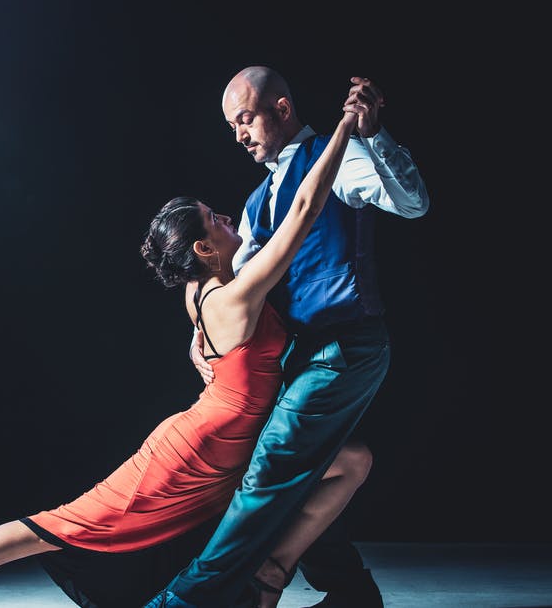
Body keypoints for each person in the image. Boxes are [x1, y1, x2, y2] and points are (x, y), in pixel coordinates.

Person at [0, 101, 367, 608]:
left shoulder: (200, 290)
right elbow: (303, 210)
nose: (230, 219)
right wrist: (342, 129)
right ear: (204, 251)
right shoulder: (235, 296)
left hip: (237, 443)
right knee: (58, 526)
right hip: (196, 454)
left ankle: (270, 576)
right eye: (216, 220)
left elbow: (209, 343)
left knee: (352, 460)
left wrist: (207, 357)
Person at [145, 68, 430, 608]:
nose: (239, 135)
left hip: (345, 343)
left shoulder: (336, 156)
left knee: (271, 469)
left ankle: (188, 601)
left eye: (246, 119)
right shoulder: (255, 203)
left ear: (280, 108)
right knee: (309, 467)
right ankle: (349, 591)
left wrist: (372, 135)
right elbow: (229, 282)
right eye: (232, 126)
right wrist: (198, 333)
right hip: (298, 355)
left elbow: (413, 204)